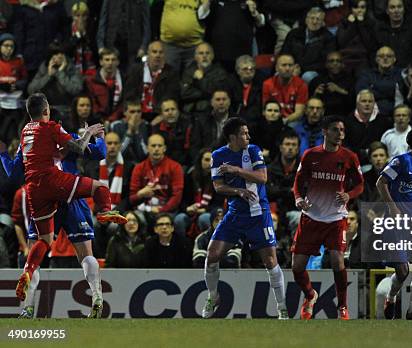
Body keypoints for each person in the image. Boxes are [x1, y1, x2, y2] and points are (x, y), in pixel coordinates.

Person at [15, 93, 127, 312]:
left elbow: (17, 167)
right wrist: (98, 136)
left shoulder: (27, 136)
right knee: (86, 253)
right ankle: (96, 298)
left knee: (38, 245)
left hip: (39, 193)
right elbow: (99, 153)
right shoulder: (64, 133)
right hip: (69, 193)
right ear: (48, 112)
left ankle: (27, 307)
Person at [203, 117, 288, 319]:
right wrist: (238, 191)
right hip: (235, 215)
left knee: (270, 261)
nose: (248, 136)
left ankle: (282, 307)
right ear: (233, 137)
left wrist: (237, 170)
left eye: (248, 133)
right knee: (212, 255)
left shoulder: (253, 150)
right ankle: (213, 296)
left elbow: (263, 178)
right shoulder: (217, 155)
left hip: (259, 214)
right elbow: (219, 187)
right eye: (244, 133)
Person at [292, 115, 364, 320]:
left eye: (342, 130)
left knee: (337, 261)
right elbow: (297, 183)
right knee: (297, 268)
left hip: (335, 218)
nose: (340, 134)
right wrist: (298, 198)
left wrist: (349, 195)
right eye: (335, 129)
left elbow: (360, 184)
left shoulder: (350, 157)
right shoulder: (310, 155)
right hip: (311, 217)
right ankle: (310, 295)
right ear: (325, 131)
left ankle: (342, 306)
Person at [376, 126, 412, 320]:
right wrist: (392, 207)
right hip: (395, 222)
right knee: (402, 271)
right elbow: (381, 183)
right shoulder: (401, 161)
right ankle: (391, 298)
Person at [129, 134, 184, 226]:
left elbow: (176, 197)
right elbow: (132, 199)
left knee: (178, 219)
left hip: (168, 210)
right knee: (135, 220)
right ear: (147, 148)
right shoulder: (139, 168)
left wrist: (160, 210)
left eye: (160, 146)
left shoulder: (175, 167)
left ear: (164, 148)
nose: (156, 149)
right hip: (144, 210)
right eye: (153, 146)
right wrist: (140, 194)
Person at [262, 54, 308, 124]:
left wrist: (283, 122)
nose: (287, 68)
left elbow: (299, 112)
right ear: (276, 68)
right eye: (284, 65)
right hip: (272, 119)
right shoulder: (267, 84)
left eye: (290, 65)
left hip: (292, 121)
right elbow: (265, 109)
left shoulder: (301, 84)